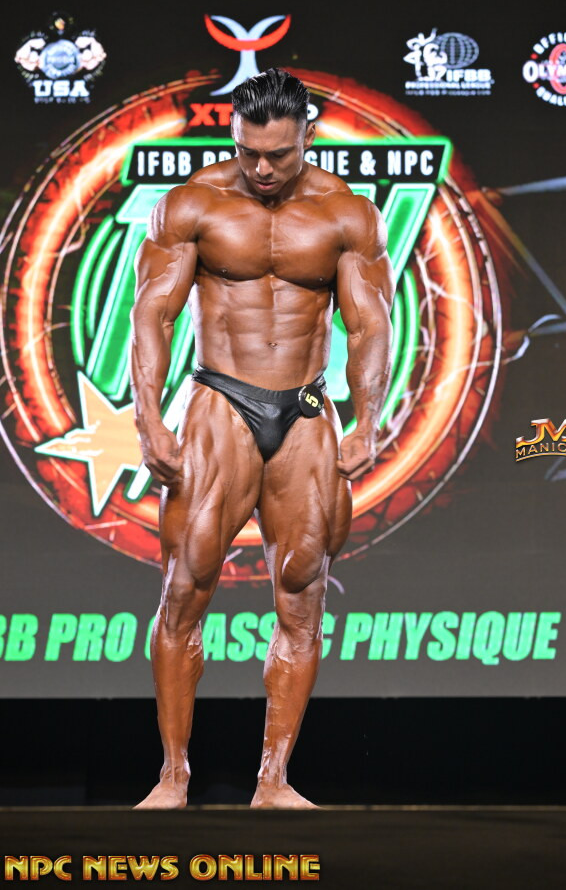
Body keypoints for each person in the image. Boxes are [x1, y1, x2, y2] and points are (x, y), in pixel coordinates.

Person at [130, 67, 394, 809]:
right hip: (221, 399)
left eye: (278, 154)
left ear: (307, 135)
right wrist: (149, 417)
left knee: (302, 594)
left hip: (304, 408)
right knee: (185, 586)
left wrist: (368, 418)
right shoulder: (195, 203)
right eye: (249, 152)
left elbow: (369, 323)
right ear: (234, 135)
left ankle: (274, 781)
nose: (263, 168)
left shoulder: (346, 213)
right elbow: (153, 312)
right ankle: (172, 776)